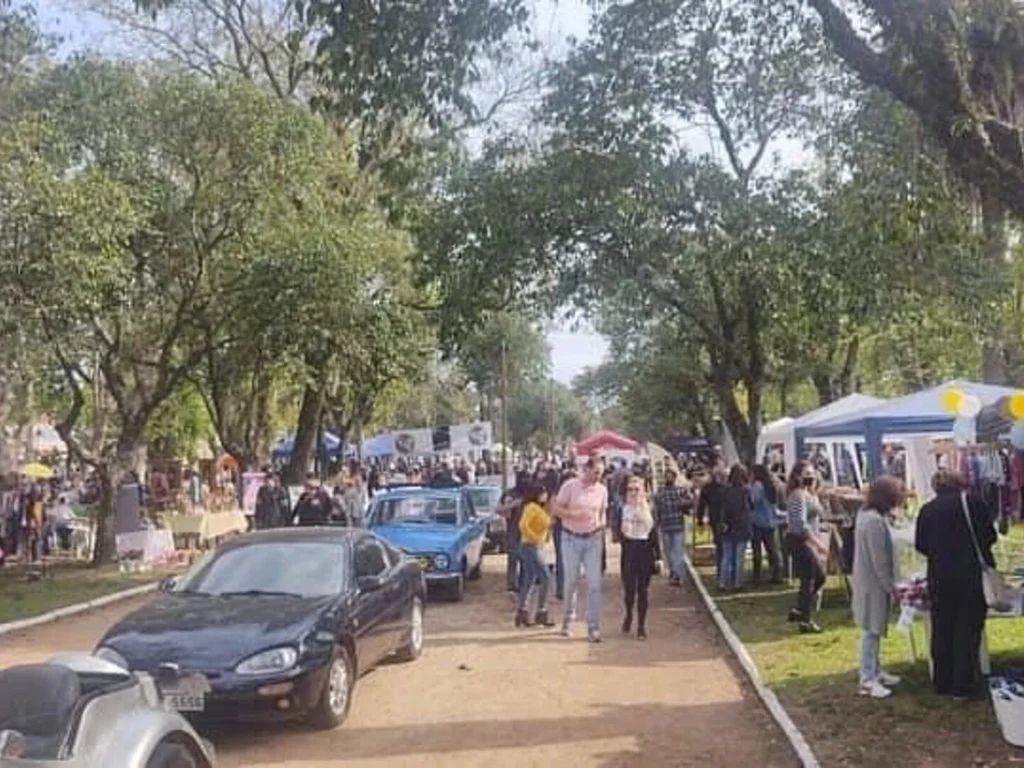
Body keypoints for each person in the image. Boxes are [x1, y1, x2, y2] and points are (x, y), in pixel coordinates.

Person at [916, 468, 996, 700]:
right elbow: (989, 536)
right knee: (967, 629)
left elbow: (921, 545)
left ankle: (943, 682)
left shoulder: (927, 510)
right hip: (970, 574)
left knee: (942, 627)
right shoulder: (972, 503)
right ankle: (962, 684)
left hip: (939, 575)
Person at [853, 476, 903, 699]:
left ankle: (875, 670)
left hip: (869, 581)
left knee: (874, 628)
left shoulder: (866, 514)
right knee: (871, 631)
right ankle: (867, 678)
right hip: (873, 583)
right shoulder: (873, 521)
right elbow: (879, 560)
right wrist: (891, 586)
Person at [553, 457, 609, 643]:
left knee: (594, 584)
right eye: (596, 472)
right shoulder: (570, 486)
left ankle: (593, 627)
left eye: (601, 473)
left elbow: (602, 512)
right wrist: (572, 514)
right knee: (571, 581)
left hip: (593, 539)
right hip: (571, 538)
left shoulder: (602, 490)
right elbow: (556, 508)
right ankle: (567, 620)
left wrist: (602, 524)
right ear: (587, 469)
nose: (598, 476)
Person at [616, 476, 660, 639]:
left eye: (637, 489)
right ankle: (629, 614)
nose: (633, 493)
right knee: (629, 590)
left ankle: (641, 625)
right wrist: (623, 531)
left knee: (643, 590)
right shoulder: (622, 509)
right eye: (630, 490)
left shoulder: (650, 510)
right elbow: (617, 532)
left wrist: (659, 557)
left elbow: (654, 535)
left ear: (643, 492)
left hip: (645, 552)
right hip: (629, 552)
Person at [785, 461, 826, 633]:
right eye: (807, 474)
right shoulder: (797, 495)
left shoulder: (808, 494)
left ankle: (800, 609)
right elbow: (800, 524)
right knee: (810, 579)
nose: (811, 477)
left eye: (812, 473)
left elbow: (816, 512)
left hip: (805, 540)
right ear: (797, 476)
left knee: (817, 577)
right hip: (799, 540)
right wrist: (817, 543)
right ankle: (805, 620)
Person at [515, 484, 555, 628]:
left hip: (535, 546)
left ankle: (522, 611)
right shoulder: (531, 507)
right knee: (546, 578)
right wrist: (534, 538)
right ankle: (541, 611)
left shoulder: (540, 509)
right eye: (543, 493)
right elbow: (523, 525)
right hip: (530, 546)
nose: (546, 496)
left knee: (529, 578)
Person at [652, 469, 691, 585]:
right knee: (669, 552)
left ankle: (677, 575)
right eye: (667, 477)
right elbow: (657, 510)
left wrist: (684, 504)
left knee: (677, 551)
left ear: (674, 478)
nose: (669, 479)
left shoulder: (681, 491)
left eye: (671, 477)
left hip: (677, 525)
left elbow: (690, 502)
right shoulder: (660, 493)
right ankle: (674, 572)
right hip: (666, 526)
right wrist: (656, 524)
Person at [719, 465, 752, 590]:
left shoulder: (725, 490)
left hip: (728, 524)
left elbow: (723, 508)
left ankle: (723, 582)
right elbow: (750, 506)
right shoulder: (745, 491)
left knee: (726, 556)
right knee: (739, 557)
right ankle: (737, 582)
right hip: (741, 525)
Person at [749, 464, 782, 584]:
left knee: (757, 550)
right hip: (770, 521)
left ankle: (757, 576)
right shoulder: (772, 485)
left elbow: (754, 501)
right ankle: (776, 574)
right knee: (772, 549)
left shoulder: (758, 485)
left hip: (758, 521)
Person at [697, 465, 728, 581]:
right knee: (724, 547)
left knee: (721, 547)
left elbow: (701, 505)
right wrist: (700, 518)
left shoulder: (708, 488)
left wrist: (700, 519)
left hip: (716, 519)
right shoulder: (727, 487)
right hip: (723, 519)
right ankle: (724, 573)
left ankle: (721, 573)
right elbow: (701, 505)